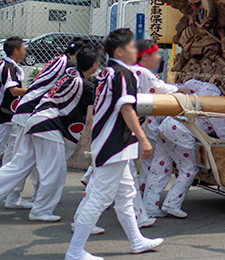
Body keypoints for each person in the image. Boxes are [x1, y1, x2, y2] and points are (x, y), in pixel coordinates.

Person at [0, 46, 100, 223]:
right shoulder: (84, 85)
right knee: (55, 171)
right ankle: (41, 210)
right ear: (93, 66)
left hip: (35, 119)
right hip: (49, 125)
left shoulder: (70, 75)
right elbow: (102, 97)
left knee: (18, 164)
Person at [66, 29, 163, 260]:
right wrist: (143, 139)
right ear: (120, 51)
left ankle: (136, 240)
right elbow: (126, 108)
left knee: (126, 195)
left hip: (113, 145)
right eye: (132, 47)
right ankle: (75, 251)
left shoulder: (109, 73)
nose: (136, 50)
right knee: (99, 198)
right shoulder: (122, 75)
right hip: (113, 146)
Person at [6, 37, 88, 208]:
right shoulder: (70, 67)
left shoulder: (60, 59)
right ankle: (12, 197)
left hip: (30, 109)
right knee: (22, 158)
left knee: (32, 157)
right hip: (31, 110)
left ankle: (35, 195)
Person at [143, 78, 225, 219]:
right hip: (180, 131)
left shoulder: (208, 87)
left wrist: (209, 82)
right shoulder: (219, 105)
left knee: (159, 167)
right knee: (189, 169)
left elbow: (189, 83)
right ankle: (172, 203)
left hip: (168, 124)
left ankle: (150, 206)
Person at [134, 39, 179, 193]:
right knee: (146, 159)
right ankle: (143, 190)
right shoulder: (142, 72)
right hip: (134, 122)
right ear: (145, 56)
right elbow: (162, 88)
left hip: (124, 121)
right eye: (156, 54)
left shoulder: (130, 69)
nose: (159, 58)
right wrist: (181, 89)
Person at [0, 37, 27, 195]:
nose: (25, 51)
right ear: (16, 51)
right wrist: (36, 89)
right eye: (23, 48)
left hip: (11, 114)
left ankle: (2, 185)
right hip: (3, 114)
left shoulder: (10, 65)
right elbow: (13, 91)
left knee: (12, 150)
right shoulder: (8, 67)